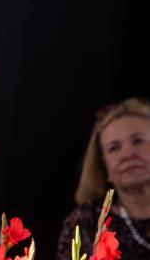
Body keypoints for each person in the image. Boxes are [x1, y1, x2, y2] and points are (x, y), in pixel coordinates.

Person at [55, 97, 150, 259]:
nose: (127, 154)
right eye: (114, 148)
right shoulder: (86, 222)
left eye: (137, 141)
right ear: (103, 164)